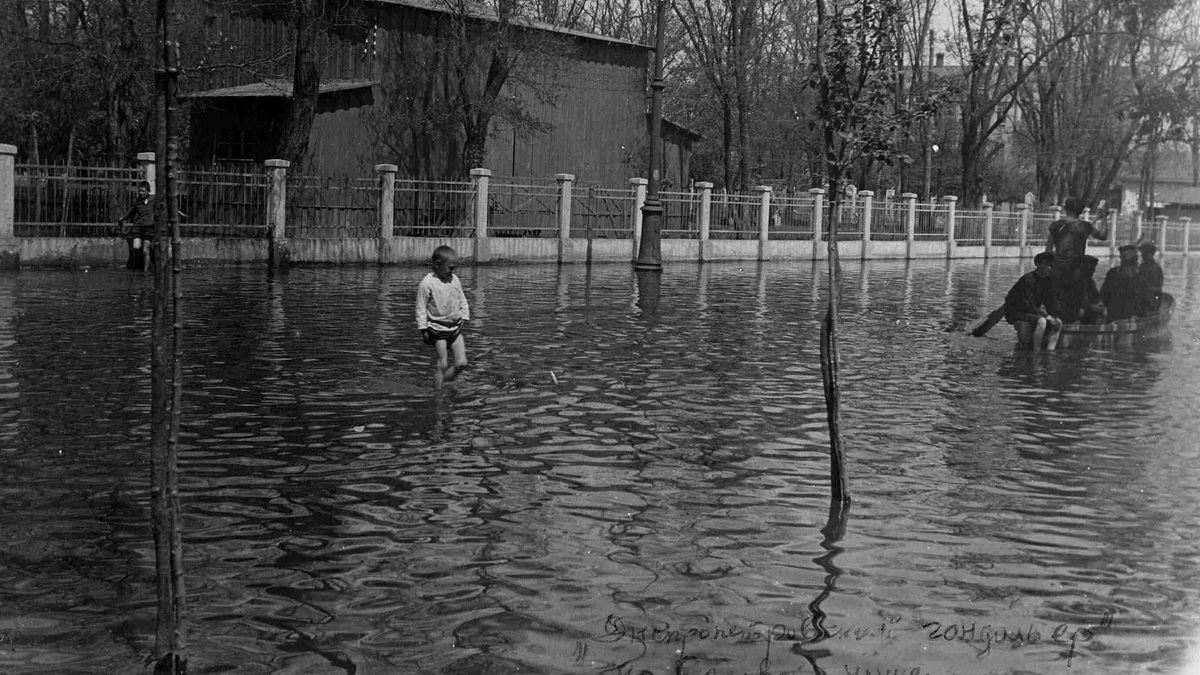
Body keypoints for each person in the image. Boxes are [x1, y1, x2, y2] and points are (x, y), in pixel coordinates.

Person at [415, 245, 470, 388]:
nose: (453, 271)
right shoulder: (427, 283)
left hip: (455, 327)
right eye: (450, 268)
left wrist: (464, 316)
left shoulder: (454, 279)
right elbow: (420, 308)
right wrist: (423, 330)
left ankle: (442, 382)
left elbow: (462, 298)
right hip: (437, 330)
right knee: (443, 363)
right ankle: (437, 395)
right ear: (437, 265)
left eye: (454, 268)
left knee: (462, 363)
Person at [1045, 198, 1107, 322]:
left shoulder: (1056, 225)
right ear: (1080, 211)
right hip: (1077, 272)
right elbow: (1103, 236)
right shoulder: (1085, 226)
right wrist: (1104, 219)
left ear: (1065, 209)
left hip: (1057, 270)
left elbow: (1048, 250)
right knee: (1086, 301)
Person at [1004, 251, 1062, 349]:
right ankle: (1037, 352)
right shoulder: (1028, 280)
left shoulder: (1048, 281)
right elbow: (1027, 303)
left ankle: (1050, 351)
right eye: (1046, 265)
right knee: (1042, 321)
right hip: (1017, 311)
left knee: (1058, 322)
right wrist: (1047, 316)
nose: (1049, 268)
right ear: (1038, 264)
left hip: (1031, 311)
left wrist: (1054, 316)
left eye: (1051, 265)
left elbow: (1050, 302)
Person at [117, 181, 154, 270]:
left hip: (149, 228)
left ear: (148, 191)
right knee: (136, 247)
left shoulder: (154, 199)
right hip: (138, 227)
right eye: (140, 191)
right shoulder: (137, 201)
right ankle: (140, 264)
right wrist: (123, 218)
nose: (141, 193)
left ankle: (145, 271)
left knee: (146, 250)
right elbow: (132, 212)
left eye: (143, 191)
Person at [1100, 244, 1142, 322]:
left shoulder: (1113, 272)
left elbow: (1103, 294)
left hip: (1114, 314)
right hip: (1127, 314)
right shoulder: (1138, 274)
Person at [1137, 241, 1164, 315]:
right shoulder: (1142, 266)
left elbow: (1154, 288)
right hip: (1144, 298)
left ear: (1151, 254)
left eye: (1145, 254)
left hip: (1152, 300)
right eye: (1142, 253)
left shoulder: (1156, 268)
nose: (1142, 256)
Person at [1078, 255, 1106, 324]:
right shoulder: (1078, 281)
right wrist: (1091, 307)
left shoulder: (1090, 281)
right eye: (1091, 267)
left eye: (1094, 267)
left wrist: (1099, 304)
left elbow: (1096, 296)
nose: (1093, 270)